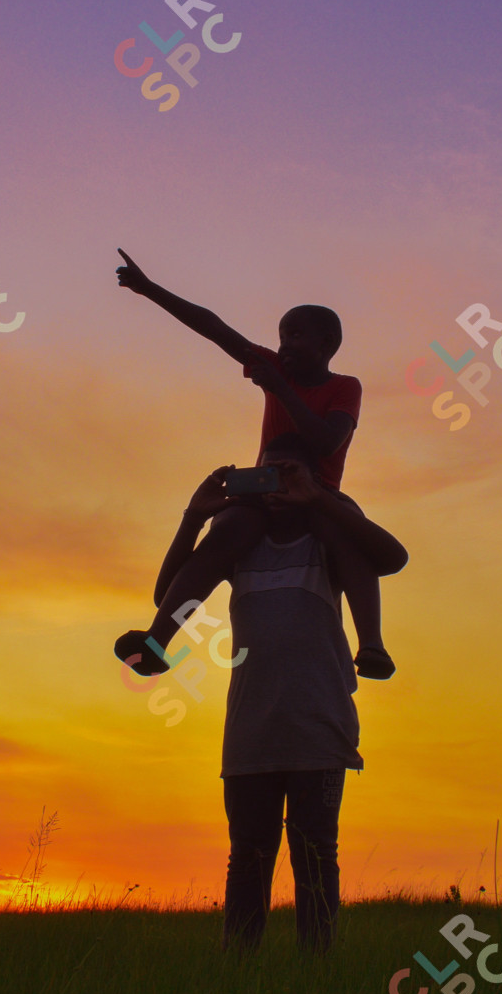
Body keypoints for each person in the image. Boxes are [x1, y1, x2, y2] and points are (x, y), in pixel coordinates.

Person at [148, 438, 408, 952]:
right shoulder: (238, 547)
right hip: (251, 732)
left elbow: (392, 556)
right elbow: (167, 594)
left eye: (286, 474)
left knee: (315, 854)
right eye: (264, 475)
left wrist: (318, 498)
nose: (274, 486)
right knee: (247, 856)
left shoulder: (327, 545)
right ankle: (241, 971)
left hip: (318, 727)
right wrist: (193, 518)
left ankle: (316, 971)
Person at [112, 249, 397, 679]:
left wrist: (280, 388)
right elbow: (215, 329)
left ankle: (372, 644)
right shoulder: (275, 367)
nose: (284, 345)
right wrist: (149, 289)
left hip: (317, 492)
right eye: (281, 336)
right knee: (227, 531)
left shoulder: (343, 387)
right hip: (263, 489)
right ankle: (158, 639)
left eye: (295, 335)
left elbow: (326, 442)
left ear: (326, 344)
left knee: (349, 536)